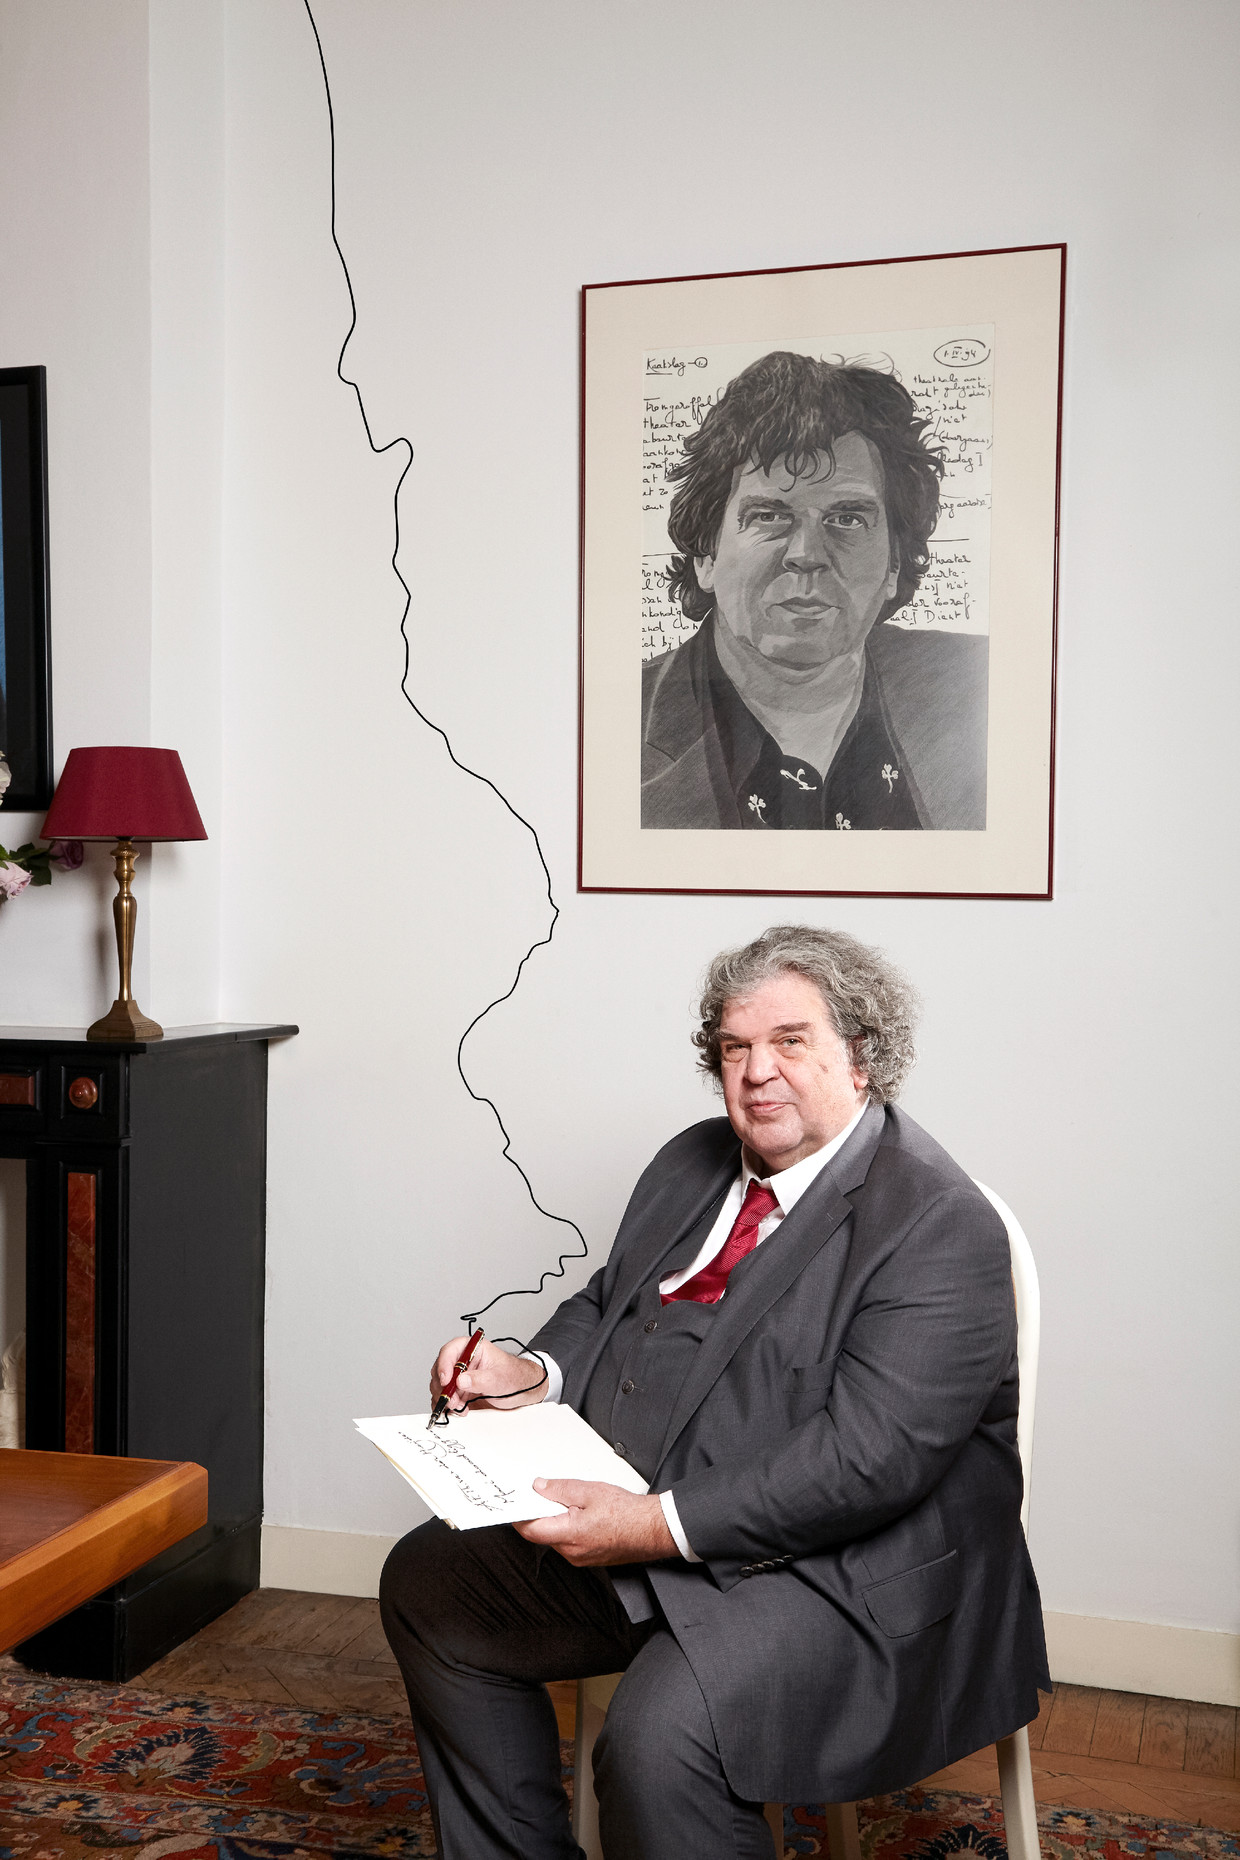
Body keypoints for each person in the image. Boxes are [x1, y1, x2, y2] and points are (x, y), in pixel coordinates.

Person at [380, 925, 1047, 1859]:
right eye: (735, 1048)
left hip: (836, 1572)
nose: (757, 1072)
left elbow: (868, 1463)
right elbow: (610, 1300)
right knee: (430, 1584)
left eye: (790, 1042)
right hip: (653, 1528)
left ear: (861, 1056)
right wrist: (533, 1375)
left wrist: (651, 1525)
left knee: (659, 1744)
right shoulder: (691, 1161)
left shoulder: (936, 1221)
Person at [642, 351, 988, 830]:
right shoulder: (611, 727)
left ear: (894, 563)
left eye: (847, 519)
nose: (807, 554)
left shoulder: (982, 684)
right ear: (706, 555)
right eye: (769, 516)